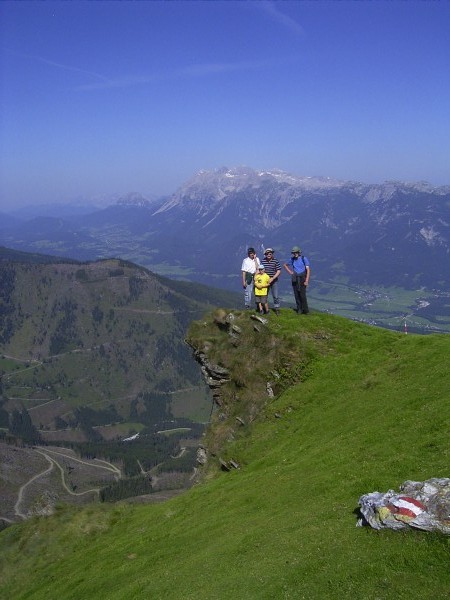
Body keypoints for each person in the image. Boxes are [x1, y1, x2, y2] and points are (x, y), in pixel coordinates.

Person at [283, 246, 310, 314]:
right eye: (294, 253)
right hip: (295, 278)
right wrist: (290, 272)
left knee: (302, 295)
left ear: (299, 252)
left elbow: (308, 270)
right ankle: (299, 309)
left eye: (296, 252)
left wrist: (306, 280)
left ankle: (305, 310)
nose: (295, 254)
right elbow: (285, 265)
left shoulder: (304, 259)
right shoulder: (292, 259)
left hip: (302, 278)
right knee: (296, 294)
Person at [261, 248, 282, 315]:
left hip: (274, 281)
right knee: (264, 295)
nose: (268, 255)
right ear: (265, 254)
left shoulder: (275, 261)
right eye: (267, 254)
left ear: (272, 254)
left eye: (270, 253)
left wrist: (273, 278)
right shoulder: (263, 261)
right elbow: (260, 270)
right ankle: (265, 309)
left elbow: (279, 271)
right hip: (265, 281)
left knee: (275, 296)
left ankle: (277, 309)